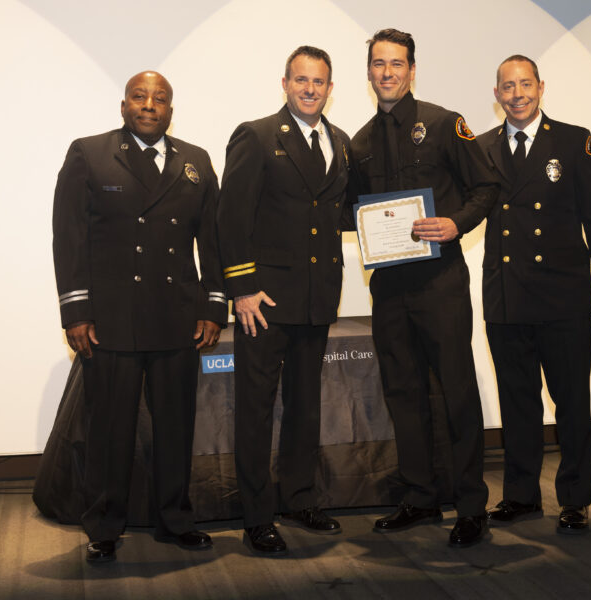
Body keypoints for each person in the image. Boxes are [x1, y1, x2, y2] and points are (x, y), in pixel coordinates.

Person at [52, 71, 225, 563]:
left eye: (160, 98)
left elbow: (211, 241)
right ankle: (104, 525)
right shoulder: (89, 153)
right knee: (110, 430)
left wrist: (214, 305)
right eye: (140, 96)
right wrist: (76, 311)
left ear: (171, 109)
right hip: (110, 320)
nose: (150, 104)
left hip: (177, 318)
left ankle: (176, 518)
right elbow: (68, 239)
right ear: (123, 104)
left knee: (176, 427)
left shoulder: (196, 161)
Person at [349, 29, 497, 548]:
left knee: (456, 391)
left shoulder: (443, 123)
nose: (387, 72)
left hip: (440, 283)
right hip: (389, 287)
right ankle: (420, 496)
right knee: (403, 393)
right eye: (378, 64)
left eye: (397, 63)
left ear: (412, 71)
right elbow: (352, 213)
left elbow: (487, 187)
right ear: (368, 72)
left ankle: (471, 505)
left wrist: (456, 223)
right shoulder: (358, 143)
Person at [477, 55, 591, 534]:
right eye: (507, 86)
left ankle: (575, 498)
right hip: (506, 299)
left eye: (525, 84)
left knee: (572, 403)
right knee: (518, 403)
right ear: (496, 94)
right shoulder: (480, 148)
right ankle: (521, 496)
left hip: (562, 295)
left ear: (541, 87)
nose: (517, 94)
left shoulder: (572, 140)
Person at [217, 46, 350, 556]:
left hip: (317, 300)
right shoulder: (257, 135)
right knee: (254, 409)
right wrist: (244, 288)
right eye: (301, 80)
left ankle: (298, 497)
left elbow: (338, 212)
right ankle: (256, 516)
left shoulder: (338, 141)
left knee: (304, 407)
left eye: (319, 81)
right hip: (265, 301)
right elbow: (231, 217)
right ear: (285, 83)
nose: (310, 89)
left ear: (330, 87)